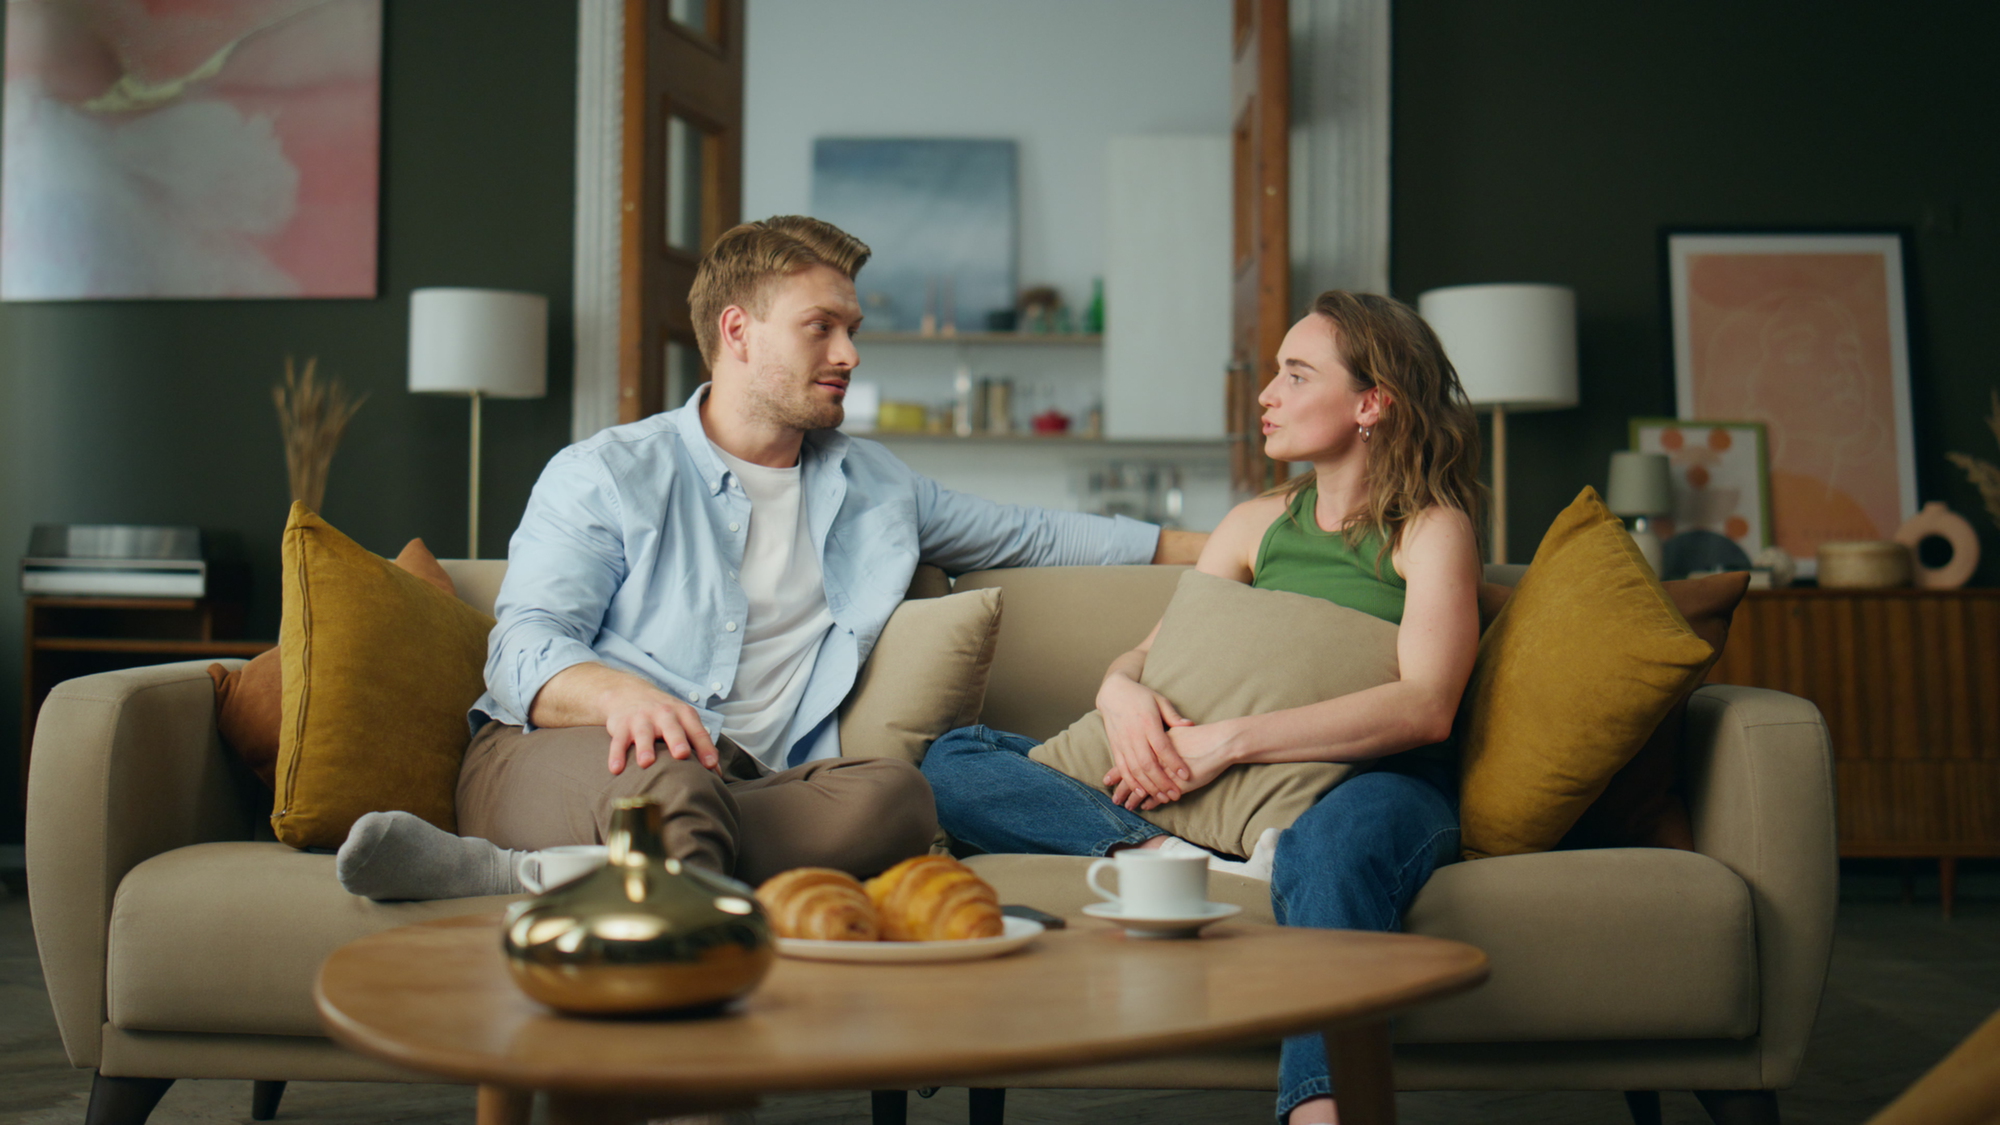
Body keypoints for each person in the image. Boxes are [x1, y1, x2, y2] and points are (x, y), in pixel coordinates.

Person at [336, 215, 1204, 902]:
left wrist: (1222, 542)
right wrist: (621, 696)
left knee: (898, 797)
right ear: (738, 331)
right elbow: (521, 645)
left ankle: (528, 876)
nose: (851, 355)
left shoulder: (875, 485)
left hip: (747, 784)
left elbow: (1035, 534)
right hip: (557, 761)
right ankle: (694, 1057)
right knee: (667, 785)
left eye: (853, 328)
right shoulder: (607, 471)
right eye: (821, 328)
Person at [921, 291, 1483, 1125]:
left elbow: (1427, 706)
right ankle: (1161, 852)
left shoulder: (1431, 529)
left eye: (1296, 375)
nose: (1267, 394)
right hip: (1209, 799)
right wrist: (1121, 692)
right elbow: (1150, 650)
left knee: (1331, 850)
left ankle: (1319, 1114)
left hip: (1375, 785)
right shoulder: (1257, 523)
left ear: (1372, 403)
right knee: (950, 762)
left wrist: (1230, 742)